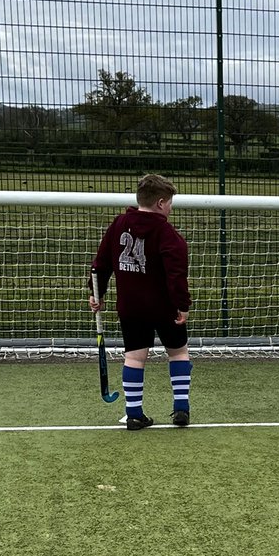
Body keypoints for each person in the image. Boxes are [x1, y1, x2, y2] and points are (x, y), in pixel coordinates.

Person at [89, 173, 192, 430]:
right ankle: (181, 408)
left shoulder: (119, 224)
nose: (170, 207)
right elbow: (176, 271)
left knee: (134, 357)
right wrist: (182, 304)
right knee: (178, 352)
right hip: (164, 306)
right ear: (160, 203)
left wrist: (95, 292)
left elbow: (101, 263)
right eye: (169, 202)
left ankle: (134, 413)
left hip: (131, 306)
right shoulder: (167, 233)